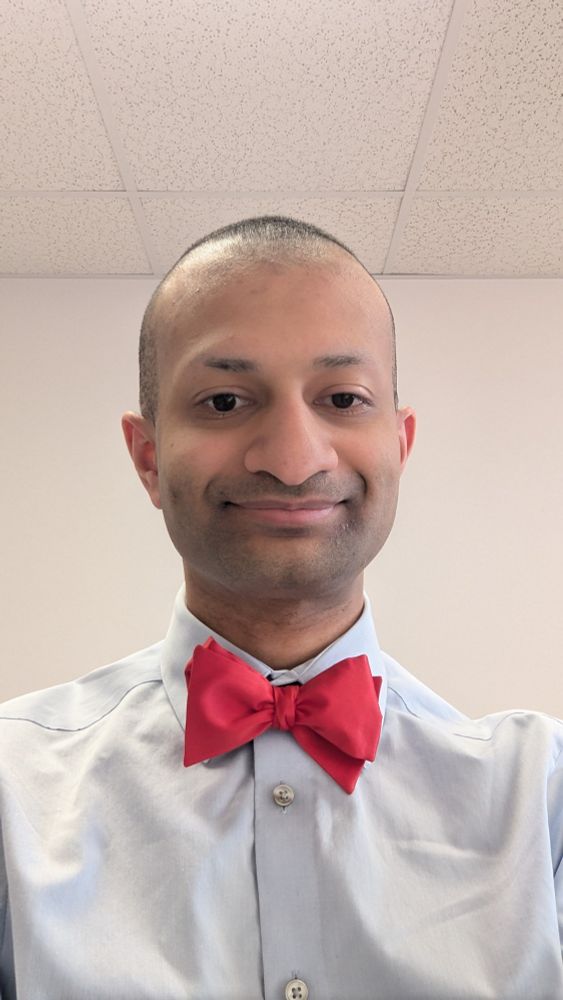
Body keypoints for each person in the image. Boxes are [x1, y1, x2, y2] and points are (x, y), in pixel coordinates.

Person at [0, 215, 561, 1000]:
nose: (294, 460)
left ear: (398, 446)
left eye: (341, 397)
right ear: (147, 458)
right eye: (225, 401)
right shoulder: (11, 788)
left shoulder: (542, 797)